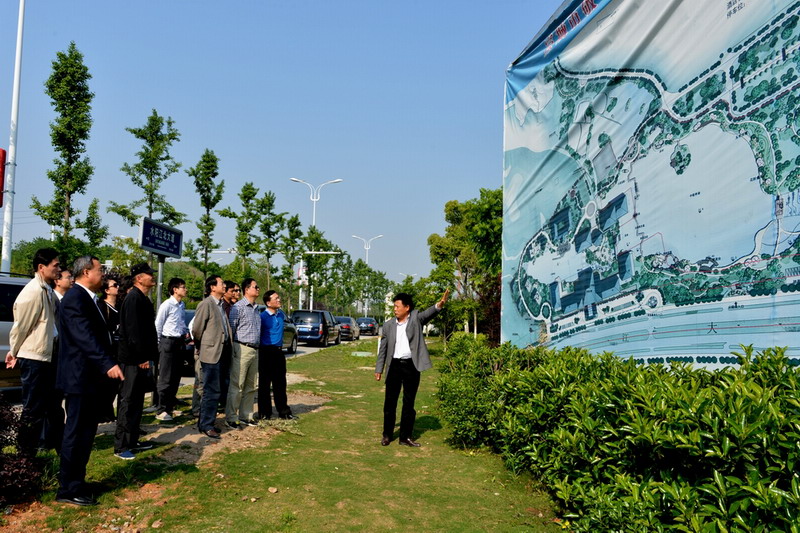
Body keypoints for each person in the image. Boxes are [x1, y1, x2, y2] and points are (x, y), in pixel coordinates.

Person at [55, 255, 124, 506]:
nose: (103, 273)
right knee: (76, 434)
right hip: (79, 378)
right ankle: (68, 489)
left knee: (85, 434)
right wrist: (107, 363)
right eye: (99, 269)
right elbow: (84, 337)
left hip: (89, 379)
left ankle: (78, 482)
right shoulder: (75, 298)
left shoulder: (88, 298)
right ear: (86, 272)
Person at [5, 248, 63, 456]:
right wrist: (14, 351)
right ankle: (25, 456)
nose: (59, 269)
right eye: (55, 265)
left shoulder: (46, 289)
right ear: (41, 267)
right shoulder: (33, 292)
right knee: (33, 409)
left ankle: (60, 450)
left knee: (53, 407)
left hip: (47, 356)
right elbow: (21, 326)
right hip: (35, 359)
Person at [375, 289, 449, 447]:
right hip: (394, 366)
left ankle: (405, 437)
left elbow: (428, 313)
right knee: (390, 403)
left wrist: (439, 304)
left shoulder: (416, 318)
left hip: (411, 366)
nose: (395, 309)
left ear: (407, 307)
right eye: (394, 306)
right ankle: (387, 435)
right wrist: (379, 369)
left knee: (409, 403)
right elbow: (383, 349)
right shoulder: (388, 325)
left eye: (397, 306)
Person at [114, 263, 158, 460]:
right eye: (149, 274)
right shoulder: (133, 298)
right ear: (139, 278)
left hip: (140, 359)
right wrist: (141, 358)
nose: (152, 277)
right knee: (128, 401)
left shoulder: (143, 298)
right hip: (132, 360)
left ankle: (133, 440)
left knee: (137, 401)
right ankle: (121, 446)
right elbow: (133, 332)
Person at [192, 275, 233, 439]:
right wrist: (203, 346)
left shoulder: (220, 305)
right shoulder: (206, 304)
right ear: (212, 287)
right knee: (210, 390)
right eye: (221, 283)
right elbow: (197, 330)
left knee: (217, 390)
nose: (224, 286)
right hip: (211, 354)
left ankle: (206, 422)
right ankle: (206, 425)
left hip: (222, 353)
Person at [225, 278, 261, 429]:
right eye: (255, 287)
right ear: (247, 289)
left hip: (255, 349)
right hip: (241, 348)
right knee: (237, 384)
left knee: (251, 385)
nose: (258, 289)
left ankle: (246, 415)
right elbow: (231, 329)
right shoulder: (238, 307)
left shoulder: (256, 308)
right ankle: (231, 417)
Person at [154, 277, 189, 422]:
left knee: (175, 376)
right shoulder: (167, 305)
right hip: (167, 341)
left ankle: (170, 406)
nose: (185, 290)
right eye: (183, 287)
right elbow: (158, 325)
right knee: (166, 377)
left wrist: (185, 332)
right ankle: (161, 409)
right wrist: (158, 345)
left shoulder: (181, 305)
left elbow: (181, 323)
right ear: (175, 289)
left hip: (179, 341)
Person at [258, 290, 294, 420]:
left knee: (280, 383)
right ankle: (264, 413)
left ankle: (284, 411)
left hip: (278, 352)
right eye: (276, 298)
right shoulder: (262, 317)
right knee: (264, 384)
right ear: (268, 303)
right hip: (266, 351)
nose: (279, 300)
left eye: (279, 298)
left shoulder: (280, 315)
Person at [98, 274, 121, 423]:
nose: (117, 288)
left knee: (114, 385)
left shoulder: (119, 307)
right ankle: (102, 413)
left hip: (118, 350)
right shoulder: (101, 307)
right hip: (107, 351)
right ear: (107, 290)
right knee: (105, 384)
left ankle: (109, 412)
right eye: (114, 285)